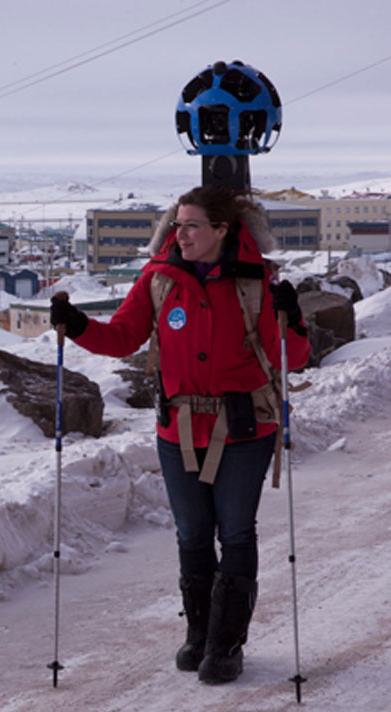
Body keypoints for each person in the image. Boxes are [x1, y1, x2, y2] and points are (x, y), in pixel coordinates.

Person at [50, 184, 310, 685]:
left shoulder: (256, 281)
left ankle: (226, 644)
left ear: (222, 230)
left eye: (192, 225)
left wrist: (292, 316)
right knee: (192, 533)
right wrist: (78, 324)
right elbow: (123, 336)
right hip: (179, 427)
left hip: (244, 427)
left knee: (235, 533)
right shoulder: (158, 278)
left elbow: (292, 357)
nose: (180, 233)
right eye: (177, 223)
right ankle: (199, 635)